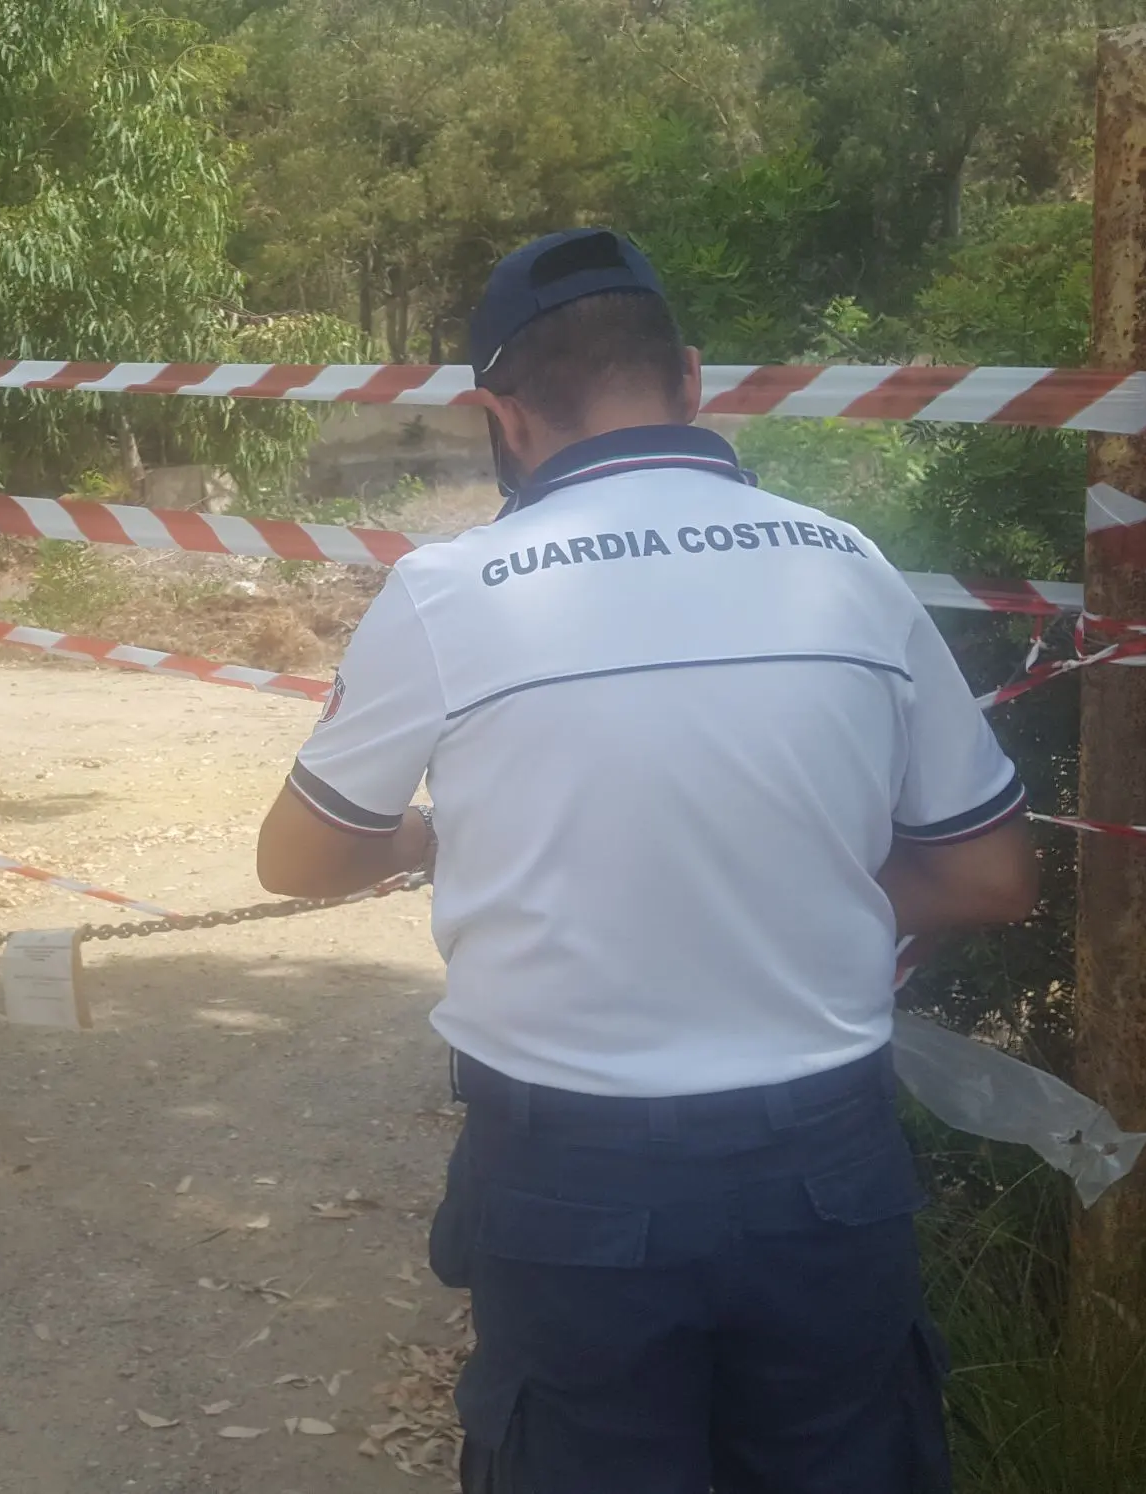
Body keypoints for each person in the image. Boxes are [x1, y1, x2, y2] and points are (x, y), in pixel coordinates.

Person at [253, 227, 1039, 1493]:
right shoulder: (848, 564)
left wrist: (451, 834)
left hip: (570, 1177)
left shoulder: (450, 590)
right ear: (686, 378)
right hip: (826, 1169)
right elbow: (993, 879)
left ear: (499, 415)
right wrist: (795, 859)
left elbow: (297, 859)